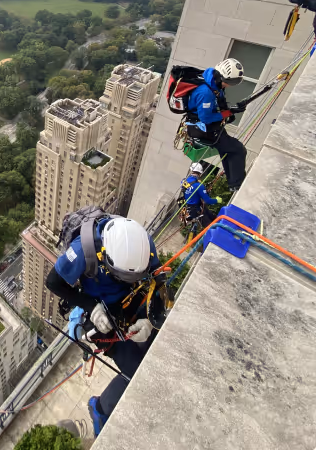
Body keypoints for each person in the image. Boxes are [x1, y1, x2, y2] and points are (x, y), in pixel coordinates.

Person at [46, 215, 161, 436]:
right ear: (105, 259)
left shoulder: (144, 246)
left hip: (131, 298)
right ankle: (99, 409)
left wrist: (149, 319)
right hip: (100, 310)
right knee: (137, 371)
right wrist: (91, 306)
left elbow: (160, 282)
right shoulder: (83, 250)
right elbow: (53, 282)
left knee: (154, 336)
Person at [185, 58, 247, 192]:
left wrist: (232, 109)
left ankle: (233, 183)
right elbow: (205, 118)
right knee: (238, 149)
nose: (229, 85)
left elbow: (219, 104)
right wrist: (227, 113)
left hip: (208, 127)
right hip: (202, 128)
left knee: (227, 149)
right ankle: (237, 185)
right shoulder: (205, 92)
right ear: (221, 77)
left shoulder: (214, 84)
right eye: (229, 82)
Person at [181, 162, 223, 227]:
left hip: (189, 208)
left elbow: (191, 191)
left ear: (191, 170)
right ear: (200, 173)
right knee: (210, 227)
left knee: (213, 217)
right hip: (197, 210)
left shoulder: (184, 181)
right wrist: (217, 200)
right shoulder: (199, 186)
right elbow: (207, 200)